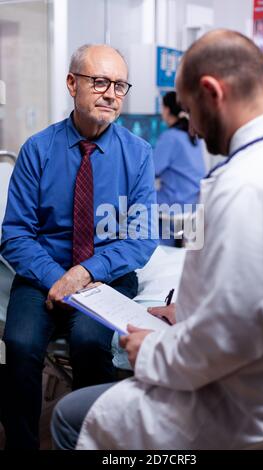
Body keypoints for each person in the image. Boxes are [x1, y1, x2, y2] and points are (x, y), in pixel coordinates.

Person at [51, 30, 263, 450]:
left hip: (244, 410)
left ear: (211, 92)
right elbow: (262, 292)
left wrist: (148, 351)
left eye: (190, 111)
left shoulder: (242, 187)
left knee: (70, 417)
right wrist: (189, 308)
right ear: (72, 84)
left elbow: (230, 339)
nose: (195, 130)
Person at [0, 44, 157, 449]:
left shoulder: (138, 155)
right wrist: (57, 277)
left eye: (120, 86)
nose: (111, 94)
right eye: (100, 82)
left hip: (106, 277)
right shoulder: (37, 150)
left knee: (90, 341)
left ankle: (97, 444)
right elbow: (15, 234)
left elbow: (141, 237)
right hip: (43, 275)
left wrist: (85, 272)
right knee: (19, 343)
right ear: (73, 84)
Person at [154, 91, 205, 208]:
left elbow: (152, 170)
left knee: (132, 202)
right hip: (193, 202)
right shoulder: (193, 135)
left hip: (175, 204)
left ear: (166, 110)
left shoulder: (170, 137)